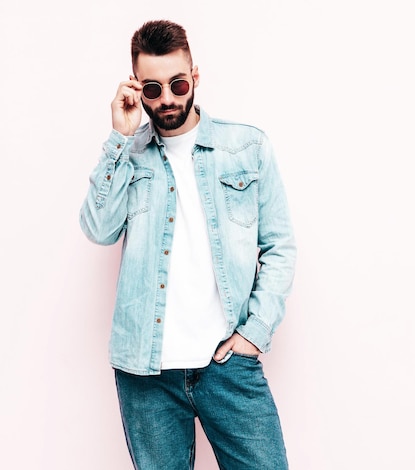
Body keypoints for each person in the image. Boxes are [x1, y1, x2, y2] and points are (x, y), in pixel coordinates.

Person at [79, 19, 296, 470]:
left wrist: (254, 333)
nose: (169, 99)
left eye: (178, 84)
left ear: (194, 76)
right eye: (153, 90)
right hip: (146, 373)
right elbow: (98, 229)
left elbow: (278, 247)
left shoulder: (247, 147)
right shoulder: (129, 154)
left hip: (228, 367)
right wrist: (119, 137)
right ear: (138, 89)